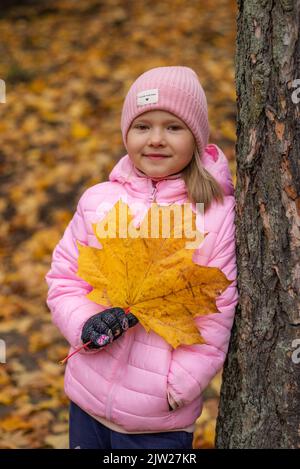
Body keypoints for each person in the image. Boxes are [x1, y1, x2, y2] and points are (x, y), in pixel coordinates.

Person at [45, 66, 239, 450]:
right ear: (126, 134)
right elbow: (64, 280)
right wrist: (85, 325)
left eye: (173, 127)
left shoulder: (214, 214)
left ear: (197, 137)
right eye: (143, 126)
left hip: (158, 422)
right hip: (86, 402)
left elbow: (216, 312)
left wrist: (174, 387)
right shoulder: (100, 202)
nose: (156, 140)